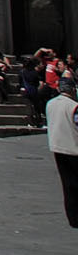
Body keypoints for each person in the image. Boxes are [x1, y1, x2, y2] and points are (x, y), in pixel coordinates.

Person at [48, 72, 78, 228]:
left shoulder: (50, 104)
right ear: (72, 89)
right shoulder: (74, 106)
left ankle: (73, 217)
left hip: (57, 147)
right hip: (74, 149)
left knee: (67, 184)